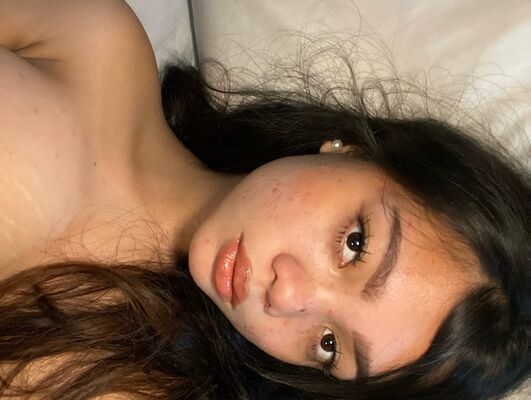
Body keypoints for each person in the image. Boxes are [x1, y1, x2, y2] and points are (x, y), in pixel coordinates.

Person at [0, 1, 528, 399]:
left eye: (329, 345)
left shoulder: (119, 380)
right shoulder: (98, 45)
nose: (287, 297)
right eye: (355, 244)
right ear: (353, 149)